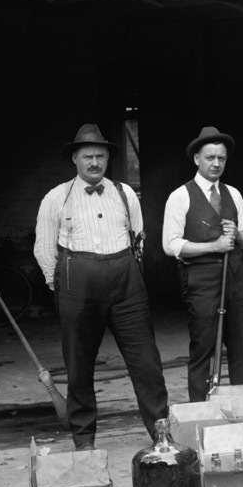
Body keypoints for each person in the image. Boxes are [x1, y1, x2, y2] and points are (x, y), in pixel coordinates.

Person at [33, 124, 168, 448]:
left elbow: (138, 240)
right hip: (76, 285)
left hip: (126, 283)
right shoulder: (56, 197)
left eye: (100, 156)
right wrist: (63, 286)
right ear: (75, 159)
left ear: (108, 158)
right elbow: (43, 249)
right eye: (88, 156)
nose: (94, 162)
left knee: (147, 362)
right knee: (79, 365)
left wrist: (128, 275)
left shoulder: (125, 195)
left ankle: (162, 434)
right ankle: (84, 441)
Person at [163, 126, 243, 402]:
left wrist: (238, 235)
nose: (216, 164)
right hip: (201, 282)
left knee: (241, 348)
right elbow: (171, 244)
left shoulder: (234, 194)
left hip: (236, 280)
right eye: (210, 158)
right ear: (196, 159)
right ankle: (201, 415)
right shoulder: (180, 196)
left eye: (221, 158)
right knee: (203, 349)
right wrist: (213, 247)